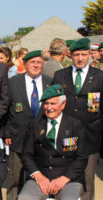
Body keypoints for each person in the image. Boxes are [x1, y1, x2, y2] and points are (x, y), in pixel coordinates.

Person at [52, 38, 103, 200]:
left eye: (83, 54)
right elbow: (52, 105)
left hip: (90, 137)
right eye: (76, 55)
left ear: (89, 55)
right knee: (65, 177)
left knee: (87, 180)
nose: (80, 58)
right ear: (70, 55)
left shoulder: (99, 76)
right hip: (67, 136)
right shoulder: (60, 75)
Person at [18, 84, 88, 200]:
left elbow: (82, 158)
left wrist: (64, 179)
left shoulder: (76, 125)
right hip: (41, 176)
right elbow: (27, 155)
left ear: (63, 104)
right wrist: (38, 175)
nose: (49, 107)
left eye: (53, 104)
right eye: (46, 103)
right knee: (24, 197)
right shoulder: (35, 125)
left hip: (68, 178)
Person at [4, 50, 51, 200]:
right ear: (24, 64)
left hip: (43, 141)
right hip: (18, 138)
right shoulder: (13, 82)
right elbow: (5, 110)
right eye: (32, 62)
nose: (36, 65)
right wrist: (7, 133)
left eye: (39, 62)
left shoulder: (50, 82)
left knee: (40, 178)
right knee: (14, 179)